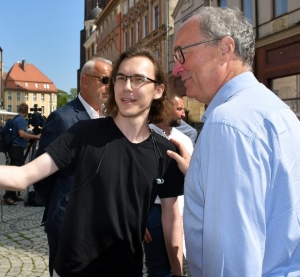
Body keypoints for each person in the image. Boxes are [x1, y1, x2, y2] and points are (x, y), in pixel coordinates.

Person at [0, 47, 185, 277]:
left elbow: (171, 217)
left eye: (138, 79)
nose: (127, 87)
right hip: (72, 270)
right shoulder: (83, 133)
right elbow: (22, 177)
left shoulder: (165, 152)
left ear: (158, 90)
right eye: (121, 78)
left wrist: (177, 272)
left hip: (127, 269)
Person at [167, 6, 300, 276]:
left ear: (225, 48)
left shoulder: (227, 124)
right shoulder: (275, 109)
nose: (177, 67)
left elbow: (231, 261)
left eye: (183, 53)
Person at [33, 57, 113, 276]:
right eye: (105, 80)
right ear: (85, 81)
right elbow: (41, 177)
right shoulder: (63, 118)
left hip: (100, 223)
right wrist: (62, 205)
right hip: (67, 222)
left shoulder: (110, 118)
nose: (110, 86)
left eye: (113, 80)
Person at [144, 92, 193, 277]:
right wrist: (139, 218)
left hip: (180, 209)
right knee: (158, 268)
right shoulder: (142, 138)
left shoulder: (184, 140)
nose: (183, 114)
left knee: (177, 265)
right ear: (164, 108)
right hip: (153, 213)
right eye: (179, 109)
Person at [2, 103, 41, 205]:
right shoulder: (21, 120)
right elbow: (21, 134)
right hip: (16, 148)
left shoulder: (15, 118)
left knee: (15, 170)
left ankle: (13, 195)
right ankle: (8, 196)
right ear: (26, 111)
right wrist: (35, 137)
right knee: (15, 173)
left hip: (13, 147)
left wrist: (29, 138)